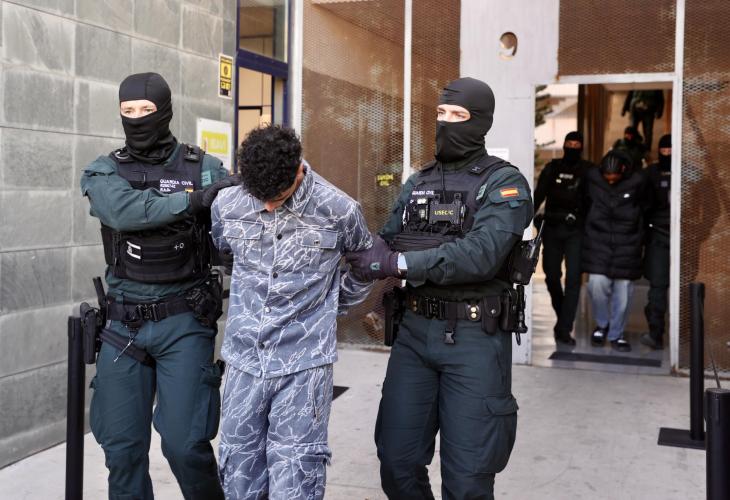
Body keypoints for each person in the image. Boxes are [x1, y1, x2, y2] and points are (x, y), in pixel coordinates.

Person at [346, 77, 533, 499]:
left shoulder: (504, 184)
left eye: (458, 115)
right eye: (441, 113)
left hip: (475, 338)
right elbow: (386, 240)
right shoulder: (419, 182)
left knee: (467, 479)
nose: (446, 123)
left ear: (481, 121)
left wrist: (402, 262)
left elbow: (481, 255)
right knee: (396, 463)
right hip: (414, 332)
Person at [80, 72, 237, 499]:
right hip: (123, 325)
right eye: (127, 111)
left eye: (145, 110)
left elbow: (237, 227)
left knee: (186, 446)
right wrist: (192, 201)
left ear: (164, 110)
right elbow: (123, 211)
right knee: (122, 451)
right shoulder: (104, 170)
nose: (136, 119)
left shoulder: (204, 168)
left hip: (184, 320)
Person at [211, 125, 374, 499]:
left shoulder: (340, 209)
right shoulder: (228, 204)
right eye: (261, 198)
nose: (269, 206)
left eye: (279, 197)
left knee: (296, 475)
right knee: (237, 472)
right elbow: (223, 252)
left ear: (299, 170)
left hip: (304, 366)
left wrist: (328, 306)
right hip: (243, 362)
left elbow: (366, 267)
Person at [582, 150, 647, 352]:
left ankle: (616, 334)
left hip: (628, 245)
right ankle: (602, 325)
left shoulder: (638, 183)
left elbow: (647, 209)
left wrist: (639, 236)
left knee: (624, 292)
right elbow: (583, 205)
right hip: (598, 244)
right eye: (607, 176)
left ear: (623, 170)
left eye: (614, 176)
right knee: (596, 285)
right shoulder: (592, 181)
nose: (610, 180)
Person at [533, 131, 593, 345]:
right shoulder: (552, 168)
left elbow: (594, 202)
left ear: (581, 147)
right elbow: (538, 196)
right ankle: (562, 317)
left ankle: (565, 328)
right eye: (570, 144)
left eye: (577, 145)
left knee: (574, 279)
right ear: (564, 145)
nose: (573, 148)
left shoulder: (588, 171)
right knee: (551, 276)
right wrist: (526, 220)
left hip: (576, 230)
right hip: (552, 228)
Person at [641, 134, 672, 349]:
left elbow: (710, 206)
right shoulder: (650, 174)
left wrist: (700, 230)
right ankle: (656, 332)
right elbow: (640, 205)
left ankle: (683, 333)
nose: (667, 154)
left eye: (671, 150)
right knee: (658, 287)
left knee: (686, 288)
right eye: (664, 150)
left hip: (683, 238)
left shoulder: (688, 172)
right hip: (658, 236)